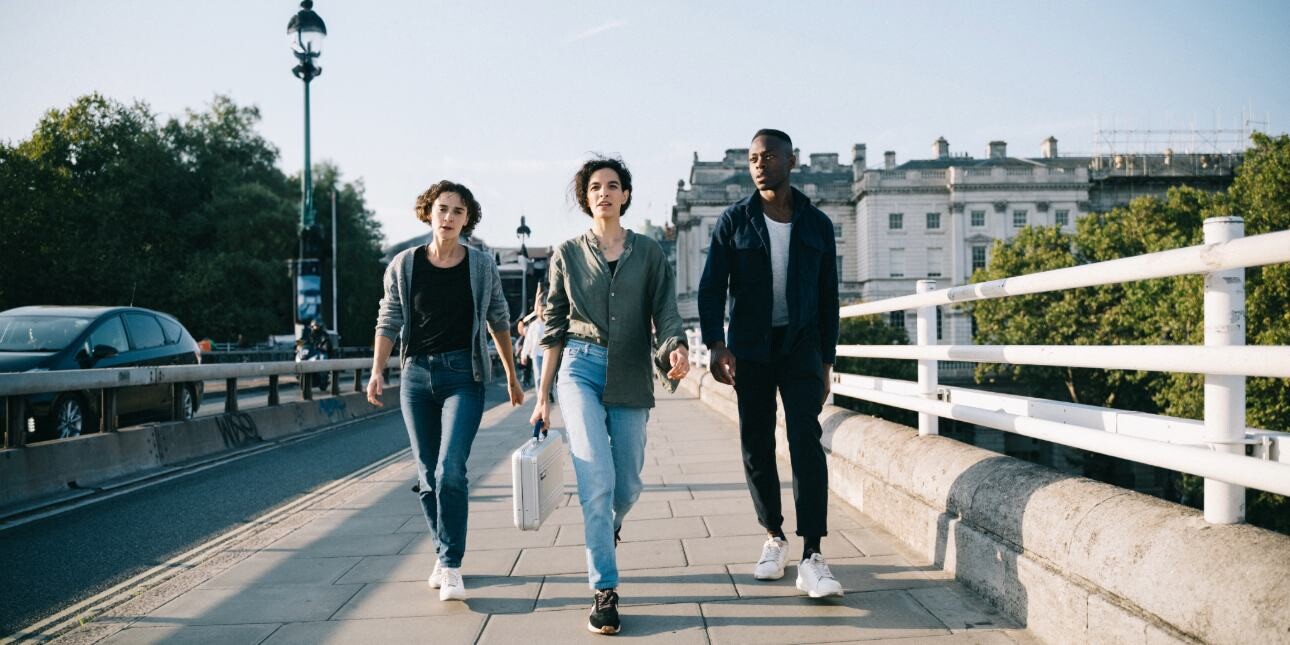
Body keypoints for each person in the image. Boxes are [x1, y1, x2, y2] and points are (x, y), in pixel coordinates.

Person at [531, 156, 689, 635]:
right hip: (579, 368)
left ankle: (607, 525)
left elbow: (666, 314)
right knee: (595, 480)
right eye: (595, 186)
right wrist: (542, 398)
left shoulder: (649, 254)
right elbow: (553, 328)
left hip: (631, 372)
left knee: (627, 485)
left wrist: (676, 349)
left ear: (625, 195)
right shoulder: (567, 254)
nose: (603, 192)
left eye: (612, 185)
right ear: (586, 198)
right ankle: (604, 589)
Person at [697, 129, 843, 598]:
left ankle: (813, 553)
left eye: (769, 156)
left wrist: (826, 361)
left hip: (801, 347)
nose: (760, 164)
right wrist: (716, 346)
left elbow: (828, 298)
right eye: (754, 158)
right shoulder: (733, 220)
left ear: (791, 160)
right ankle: (774, 536)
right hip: (751, 349)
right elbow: (711, 287)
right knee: (756, 444)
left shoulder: (817, 224)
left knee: (805, 440)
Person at [368, 180, 524, 602]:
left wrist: (511, 374)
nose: (449, 217)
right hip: (416, 377)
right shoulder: (404, 265)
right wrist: (377, 370)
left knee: (449, 470)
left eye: (458, 211)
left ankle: (451, 565)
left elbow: (498, 318)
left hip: (464, 376)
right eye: (442, 209)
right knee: (426, 476)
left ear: (467, 218)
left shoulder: (480, 265)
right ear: (428, 213)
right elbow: (390, 318)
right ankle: (443, 552)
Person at [518, 284, 547, 396]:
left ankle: (548, 392)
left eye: (544, 310)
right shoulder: (533, 325)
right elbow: (528, 341)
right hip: (536, 354)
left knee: (548, 377)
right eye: (541, 310)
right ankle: (540, 396)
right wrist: (524, 355)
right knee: (539, 376)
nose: (542, 312)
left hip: (547, 354)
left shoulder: (550, 324)